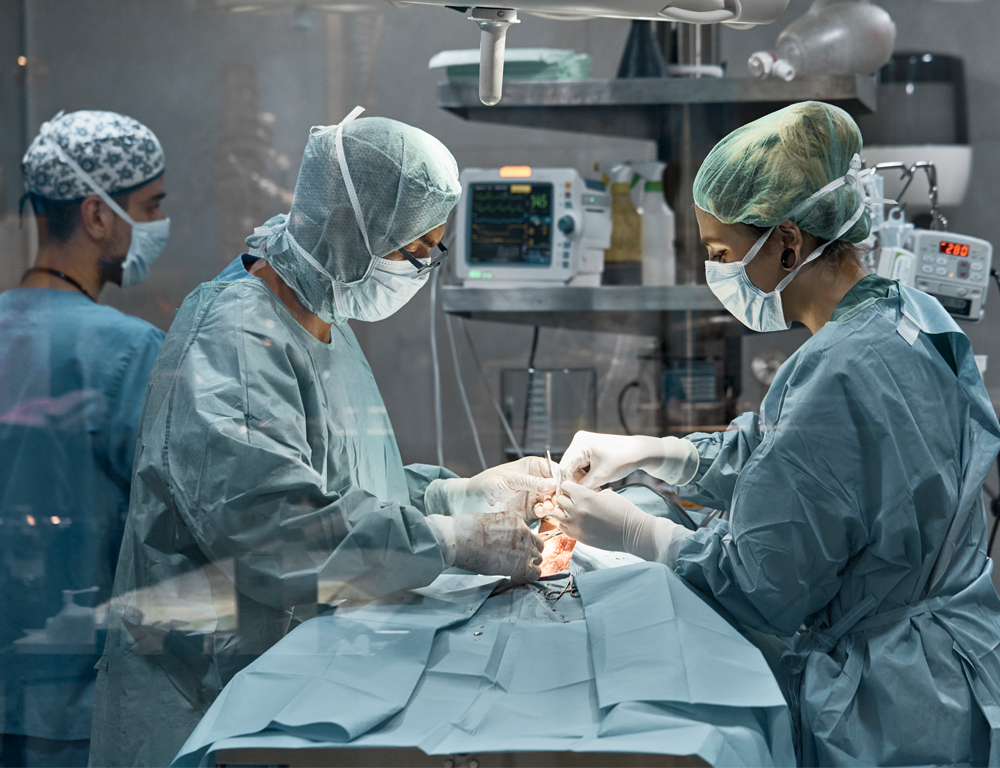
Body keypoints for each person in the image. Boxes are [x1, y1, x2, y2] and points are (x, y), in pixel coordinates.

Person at [88, 108, 552, 768]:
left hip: (293, 689)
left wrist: (459, 495)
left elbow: (348, 487)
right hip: (210, 709)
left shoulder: (318, 319)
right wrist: (451, 542)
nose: (423, 267)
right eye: (415, 248)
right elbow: (275, 533)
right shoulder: (235, 340)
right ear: (350, 230)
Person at [545, 102, 1000, 766]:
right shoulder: (905, 315)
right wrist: (659, 453)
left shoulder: (839, 372)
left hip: (894, 705)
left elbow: (758, 584)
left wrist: (639, 533)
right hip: (955, 658)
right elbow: (792, 458)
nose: (721, 276)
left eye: (723, 255)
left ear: (788, 243)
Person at [0, 110, 169, 768]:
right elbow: (171, 532)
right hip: (79, 706)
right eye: (150, 207)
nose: (157, 226)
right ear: (98, 216)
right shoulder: (128, 351)